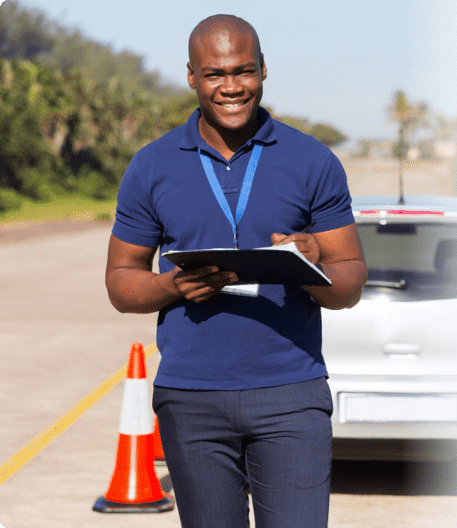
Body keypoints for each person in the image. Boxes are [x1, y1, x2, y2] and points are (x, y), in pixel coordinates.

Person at [105, 14, 367, 528]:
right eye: (214, 74)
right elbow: (120, 282)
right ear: (191, 77)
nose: (231, 87)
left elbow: (350, 282)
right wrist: (172, 285)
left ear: (264, 70)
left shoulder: (312, 160)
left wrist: (311, 259)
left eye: (243, 71)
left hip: (291, 394)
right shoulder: (152, 165)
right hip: (191, 397)